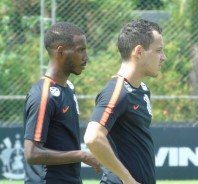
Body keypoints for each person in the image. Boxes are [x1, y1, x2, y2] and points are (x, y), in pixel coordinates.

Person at [84, 19, 166, 184]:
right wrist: (127, 179)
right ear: (139, 51)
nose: (163, 57)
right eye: (158, 51)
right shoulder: (117, 91)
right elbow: (93, 138)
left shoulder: (142, 89)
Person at [23, 22, 101, 184]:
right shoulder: (44, 94)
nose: (86, 57)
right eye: (80, 50)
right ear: (61, 51)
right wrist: (82, 155)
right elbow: (32, 153)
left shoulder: (68, 89)